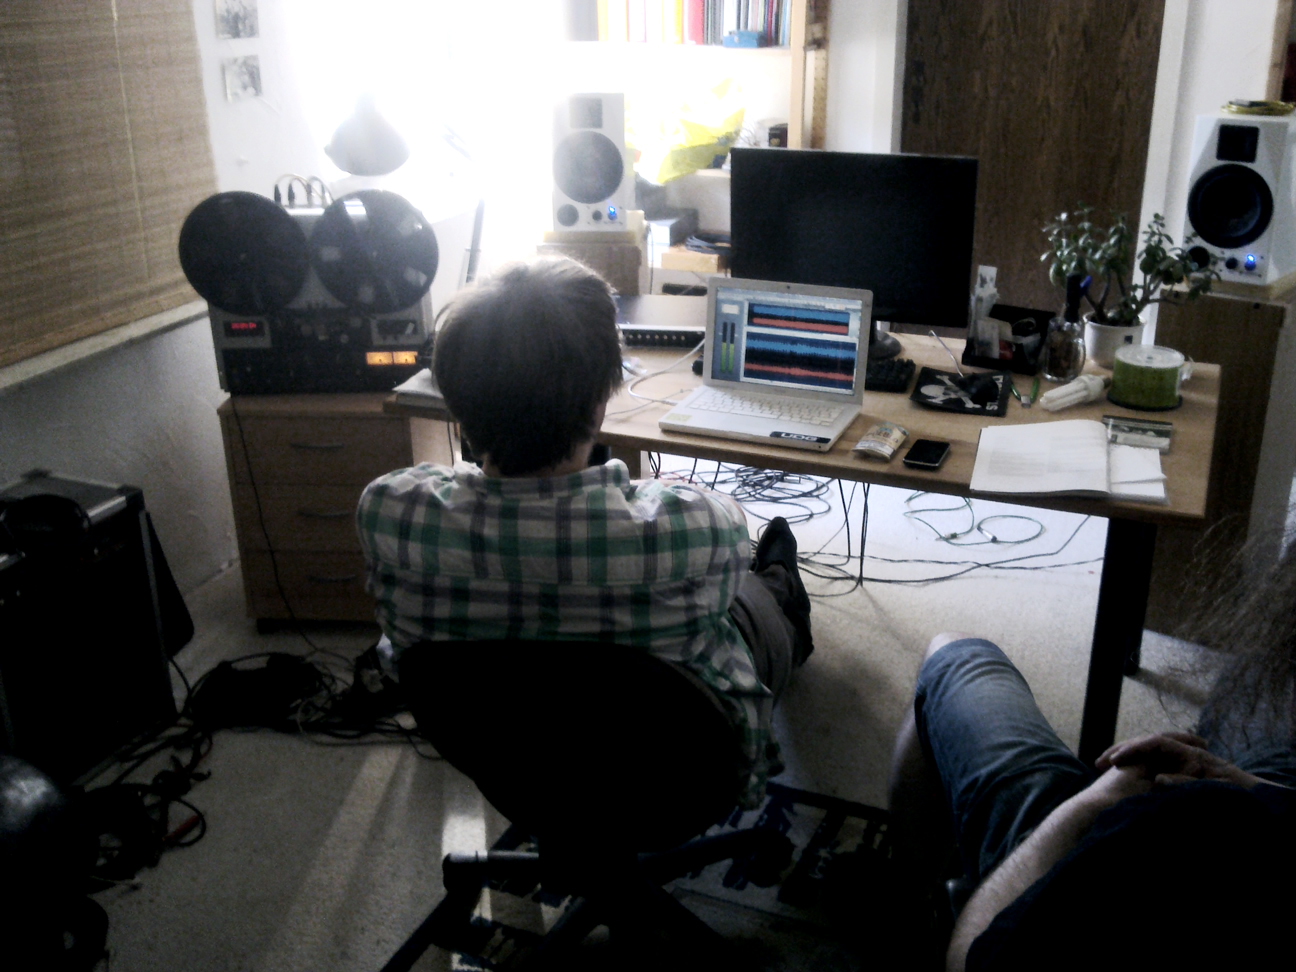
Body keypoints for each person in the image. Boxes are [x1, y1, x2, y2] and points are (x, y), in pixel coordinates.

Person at [356, 257, 813, 809]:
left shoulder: (389, 513)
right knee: (753, 601)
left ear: (454, 405)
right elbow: (721, 527)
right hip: (679, 784)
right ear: (600, 406)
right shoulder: (696, 527)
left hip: (509, 765)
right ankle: (782, 582)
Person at [888, 546, 1296, 971]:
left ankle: (907, 916)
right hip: (1268, 798)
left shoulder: (1183, 820)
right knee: (1251, 689)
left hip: (1090, 860)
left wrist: (1094, 801)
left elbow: (971, 960)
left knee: (952, 652)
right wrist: (1246, 782)